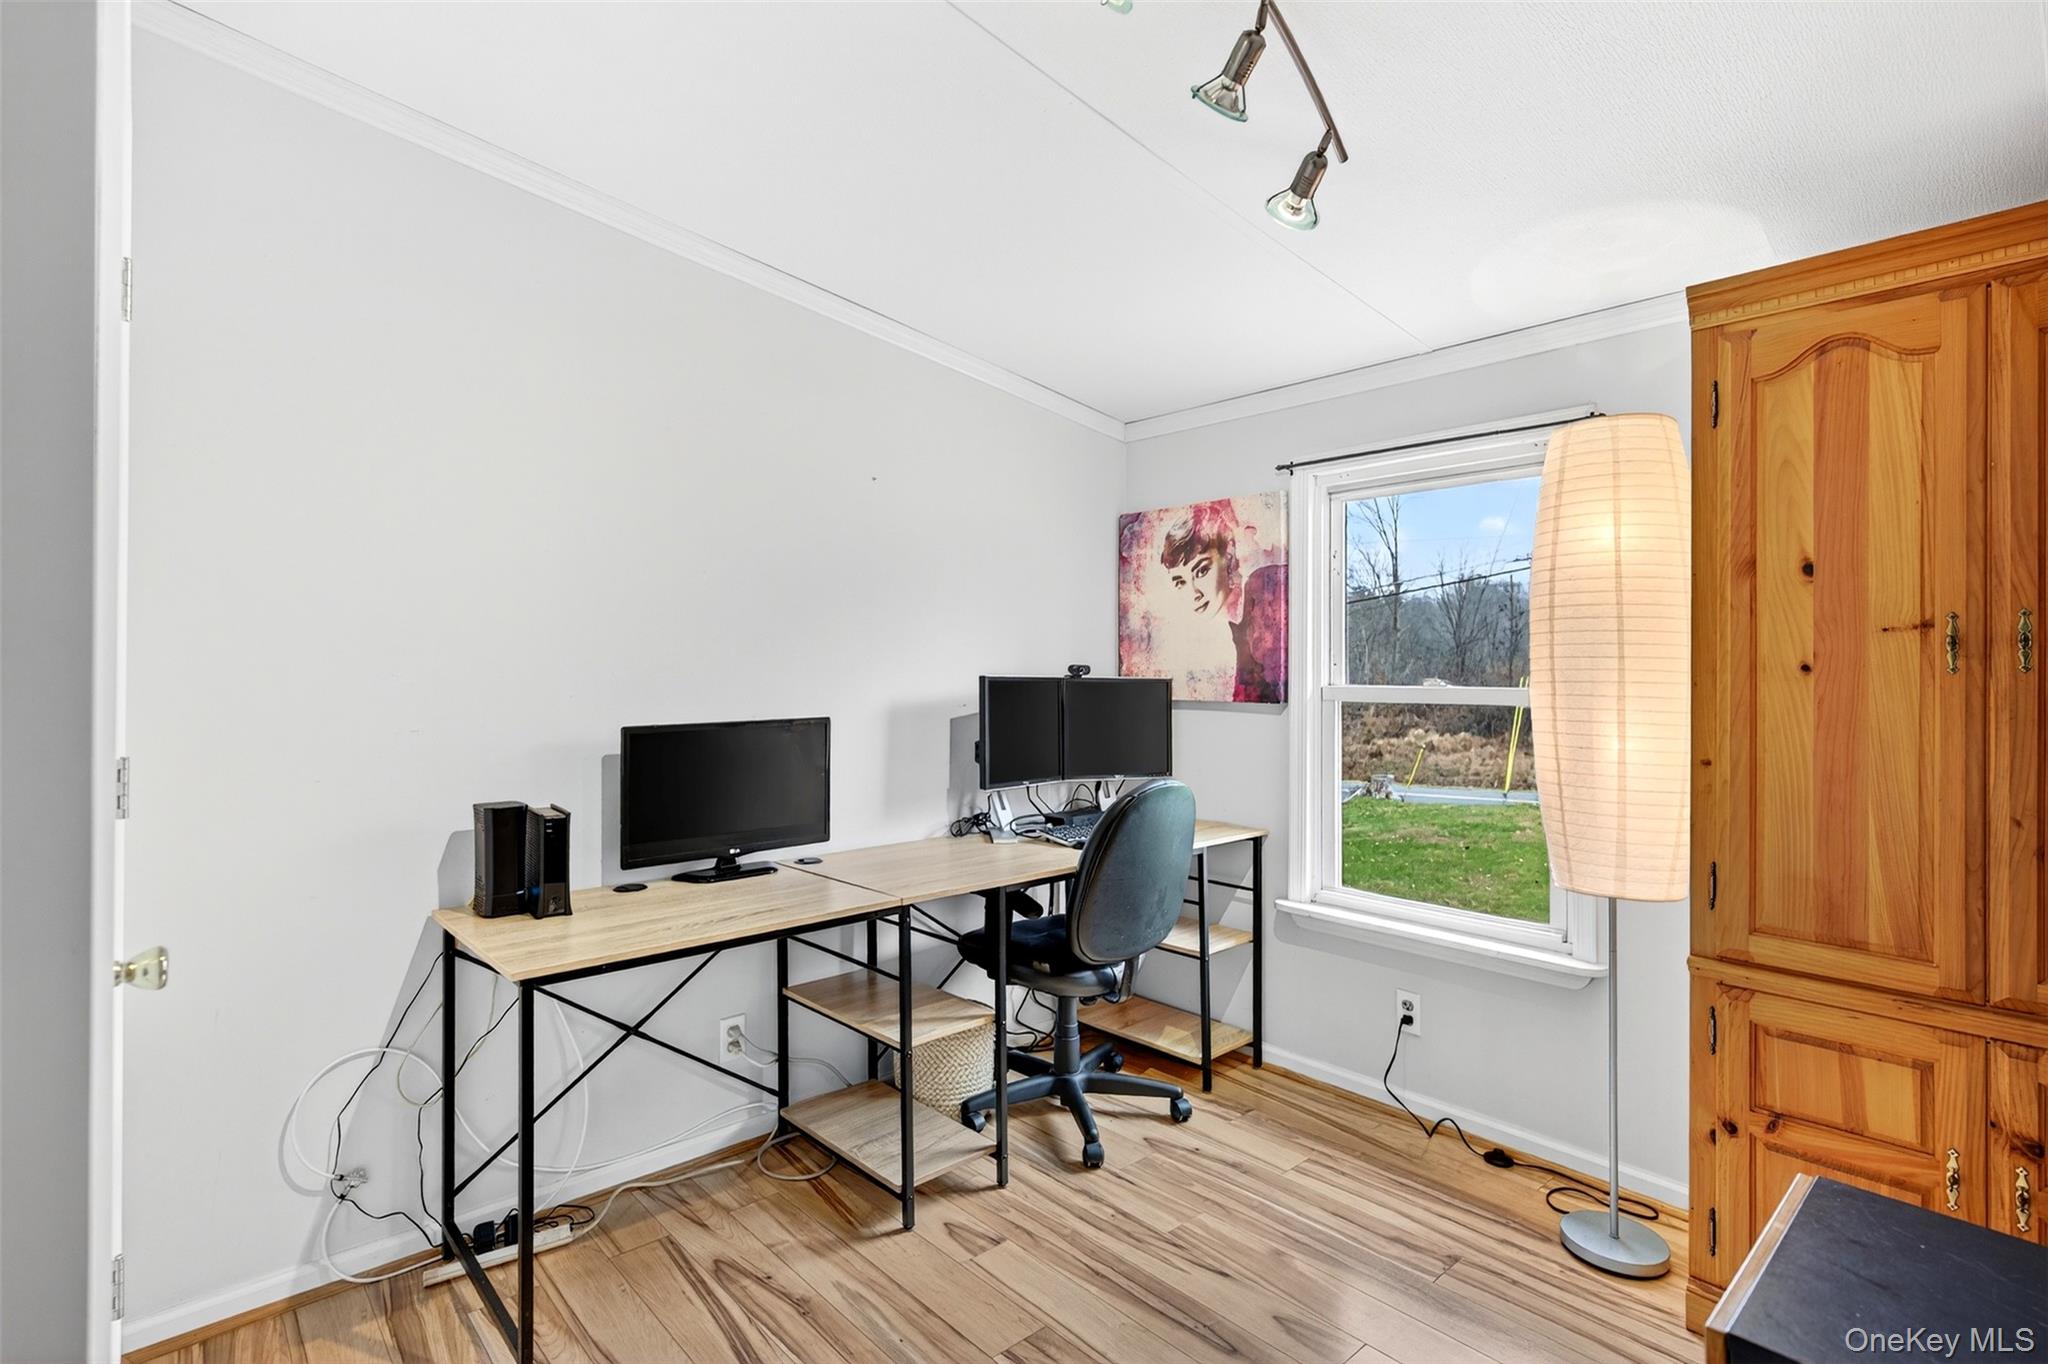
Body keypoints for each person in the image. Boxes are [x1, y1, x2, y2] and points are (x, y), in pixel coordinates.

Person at [1157, 501, 1286, 703]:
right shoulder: (1227, 633)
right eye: (1180, 582)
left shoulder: (1265, 592)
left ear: (1229, 555)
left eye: (1202, 571)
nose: (1194, 592)